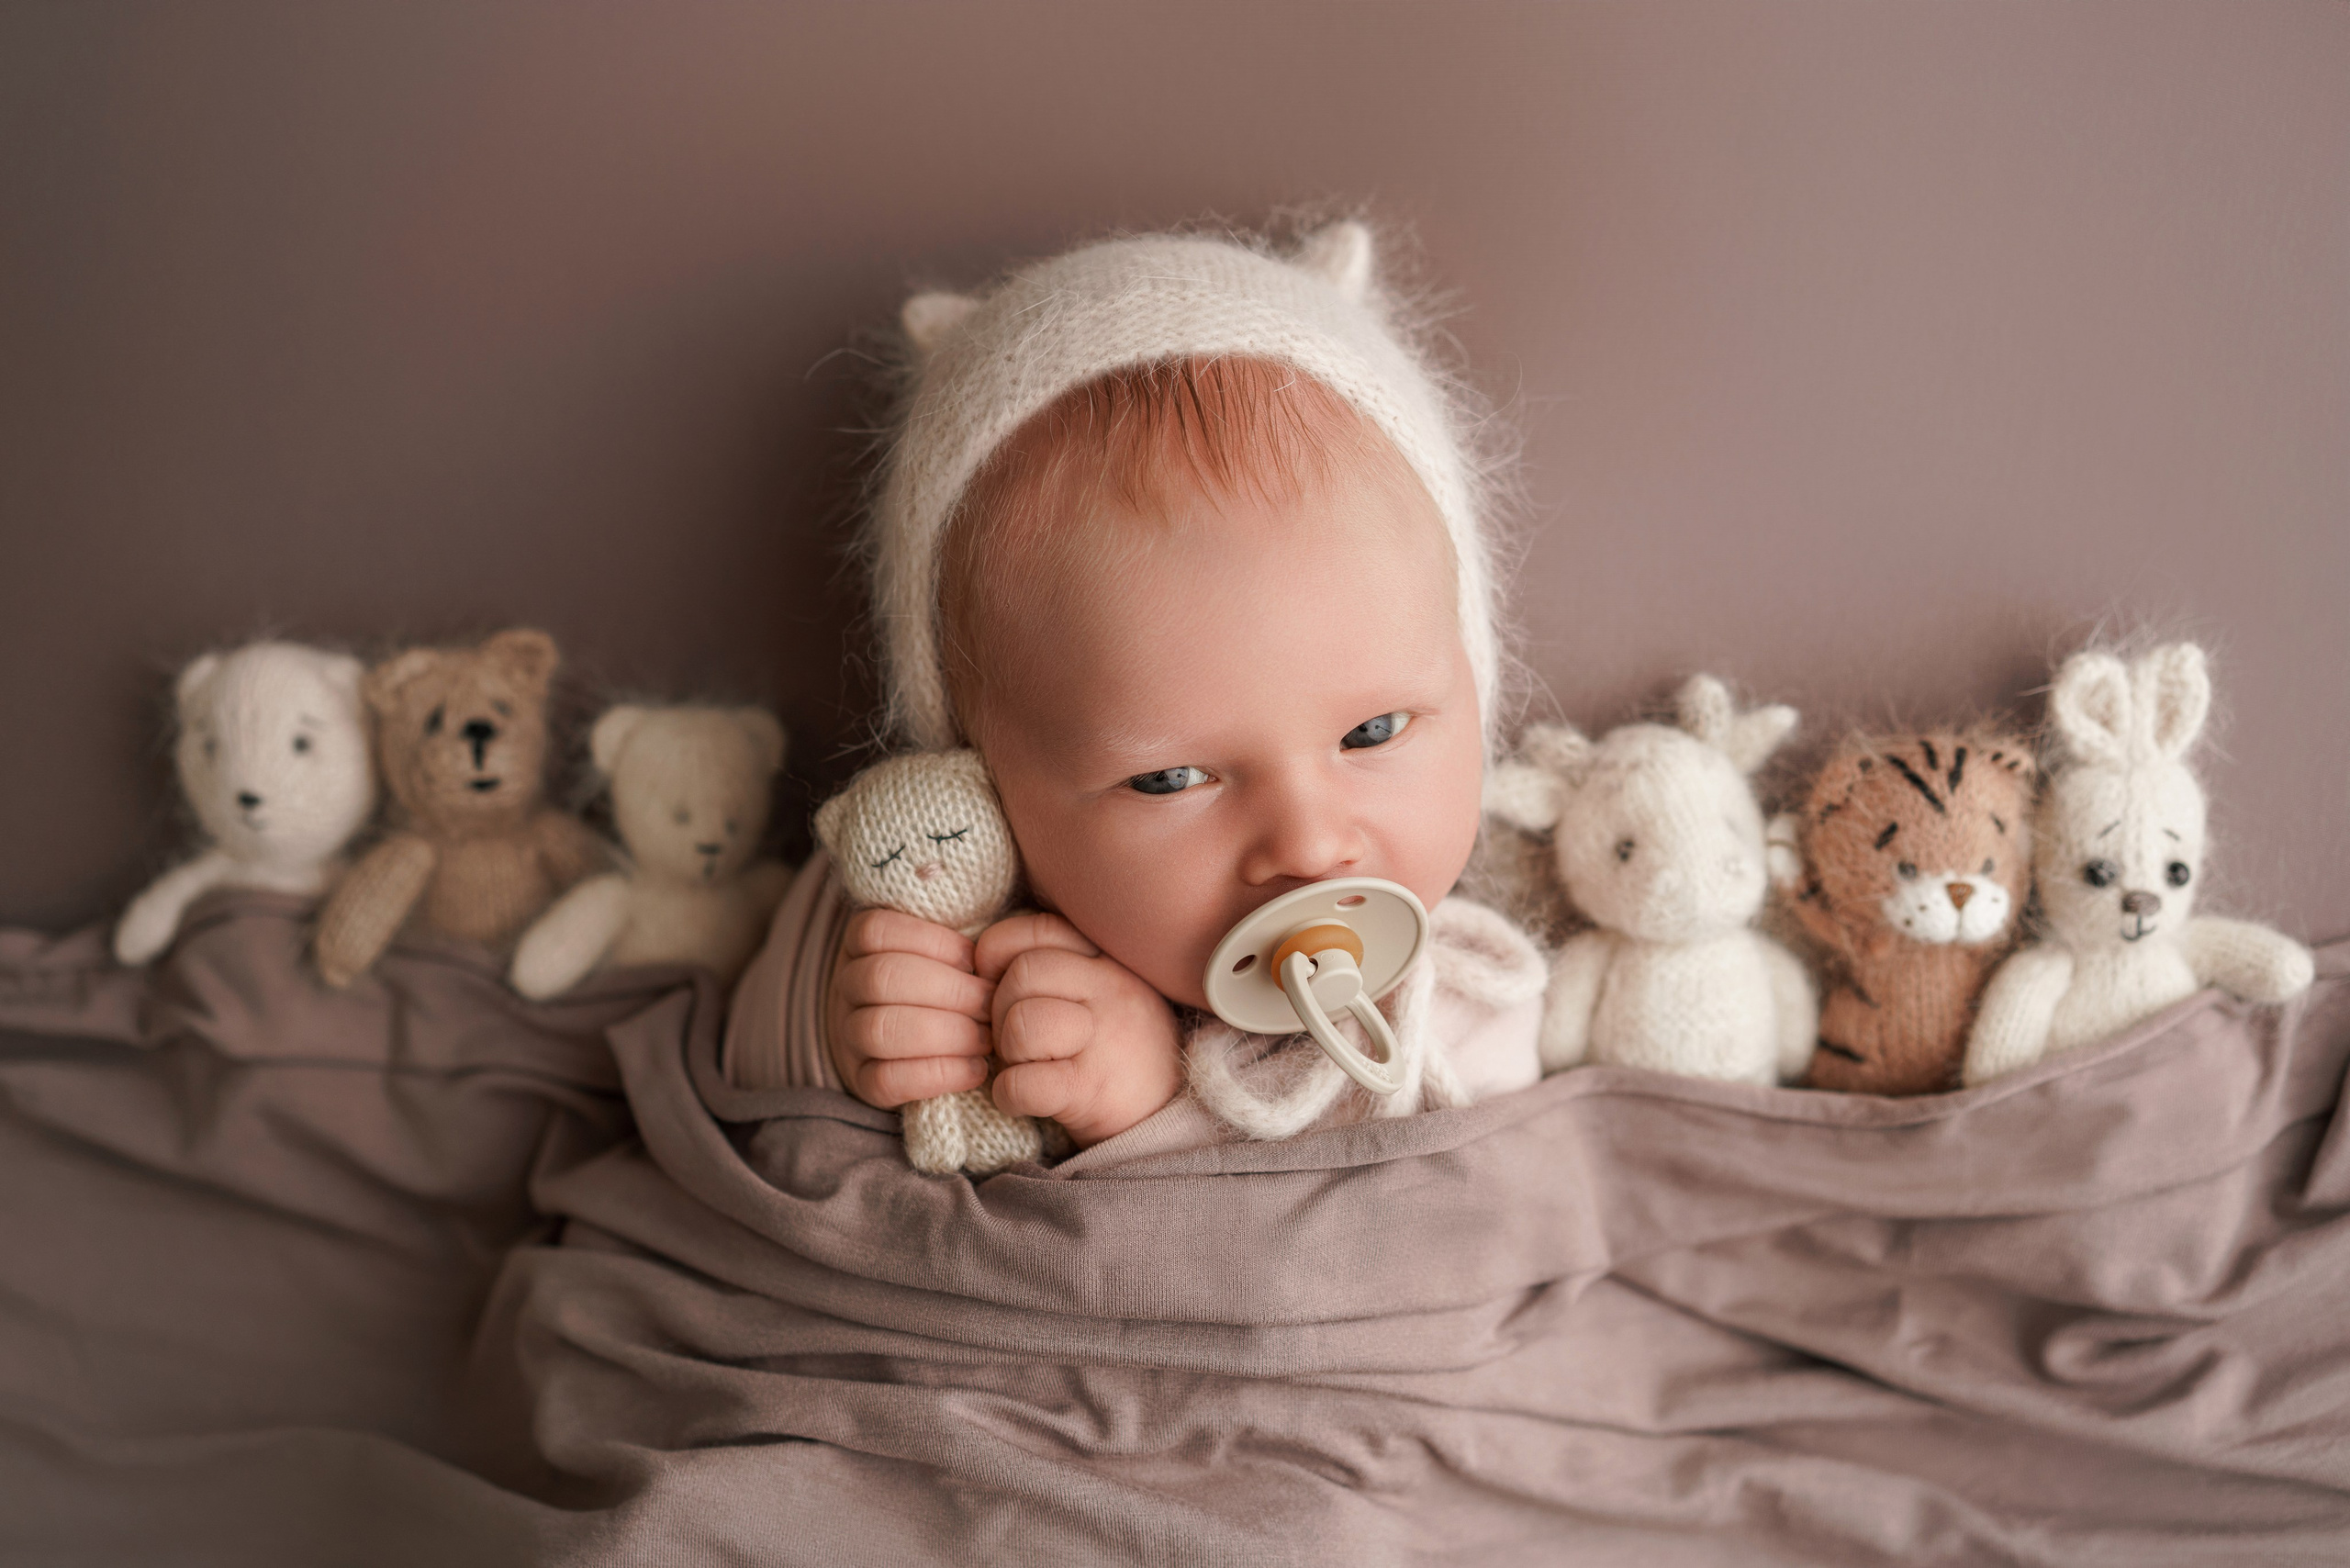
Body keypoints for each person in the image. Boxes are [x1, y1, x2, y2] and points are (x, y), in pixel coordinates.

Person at [727, 221, 1549, 1165]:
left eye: (1373, 731)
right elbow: (744, 1086)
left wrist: (1157, 1111)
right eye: (1170, 780)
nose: (1310, 843)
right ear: (980, 779)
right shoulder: (949, 917)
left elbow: (1443, 1220)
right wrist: (854, 1034)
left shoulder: (1469, 1002)